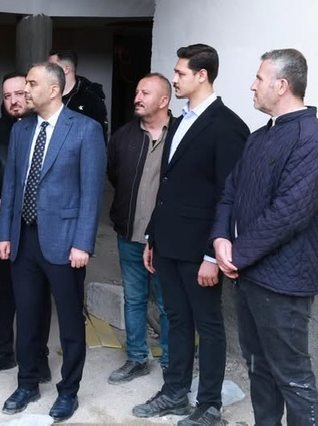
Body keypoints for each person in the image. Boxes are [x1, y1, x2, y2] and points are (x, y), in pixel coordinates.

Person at [211, 48, 318, 426]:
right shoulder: (258, 138)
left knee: (293, 378)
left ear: (282, 85)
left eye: (259, 78)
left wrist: (237, 255)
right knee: (258, 369)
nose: (252, 86)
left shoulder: (312, 140)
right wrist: (220, 239)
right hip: (249, 275)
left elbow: (289, 213)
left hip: (284, 283)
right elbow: (230, 192)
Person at [133, 44, 249, 426]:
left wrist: (213, 255)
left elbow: (229, 196)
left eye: (181, 73)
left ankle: (210, 405)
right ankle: (175, 393)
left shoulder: (227, 126)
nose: (175, 78)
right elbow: (168, 187)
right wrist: (152, 236)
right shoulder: (181, 121)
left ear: (202, 75)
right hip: (168, 242)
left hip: (200, 249)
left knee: (208, 325)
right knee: (177, 319)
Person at [0, 62, 106, 422]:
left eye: (31, 84)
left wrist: (83, 243)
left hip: (65, 240)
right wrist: (4, 233)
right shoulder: (22, 129)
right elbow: (11, 185)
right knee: (27, 316)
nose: (25, 90)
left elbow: (92, 191)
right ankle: (27, 383)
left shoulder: (85, 129)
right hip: (24, 238)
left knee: (70, 322)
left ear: (54, 90)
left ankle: (68, 390)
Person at [0, 72, 52, 381]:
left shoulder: (48, 127)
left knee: (38, 294)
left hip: (39, 226)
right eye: (7, 96)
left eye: (19, 93)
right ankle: (3, 351)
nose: (14, 101)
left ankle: (38, 354)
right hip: (3, 224)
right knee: (3, 291)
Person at [106, 73, 173, 384]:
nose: (137, 97)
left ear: (164, 100)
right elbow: (114, 175)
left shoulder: (181, 134)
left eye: (145, 93)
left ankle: (171, 361)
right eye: (136, 91)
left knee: (169, 303)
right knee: (134, 299)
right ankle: (137, 358)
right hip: (130, 234)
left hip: (168, 240)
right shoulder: (123, 136)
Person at [48, 49, 109, 140]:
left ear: (66, 69)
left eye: (52, 67)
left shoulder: (91, 99)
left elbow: (98, 137)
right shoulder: (47, 94)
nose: (47, 71)